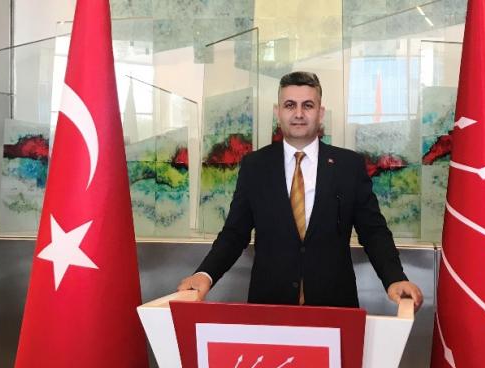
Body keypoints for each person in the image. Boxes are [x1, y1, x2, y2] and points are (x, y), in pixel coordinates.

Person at [178, 71, 422, 309]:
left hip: (334, 306)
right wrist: (205, 273)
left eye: (307, 105)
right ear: (278, 112)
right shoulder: (255, 166)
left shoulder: (348, 166)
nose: (298, 114)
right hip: (270, 306)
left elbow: (373, 231)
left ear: (320, 112)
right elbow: (234, 233)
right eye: (290, 105)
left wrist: (395, 278)